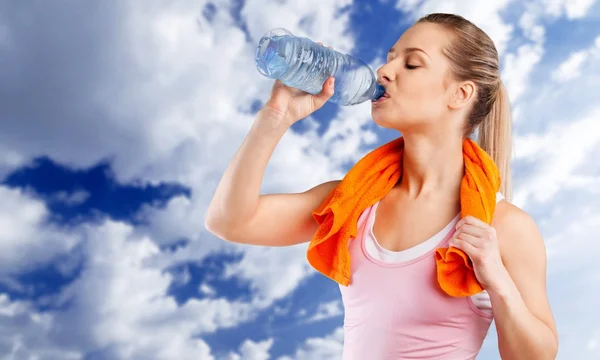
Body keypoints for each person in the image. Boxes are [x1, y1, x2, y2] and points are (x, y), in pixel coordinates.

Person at [205, 12, 558, 360]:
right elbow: (228, 221)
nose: (384, 72)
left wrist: (498, 281)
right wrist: (275, 117)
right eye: (390, 59)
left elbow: (536, 356)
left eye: (412, 64)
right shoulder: (352, 202)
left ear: (461, 94)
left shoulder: (503, 227)